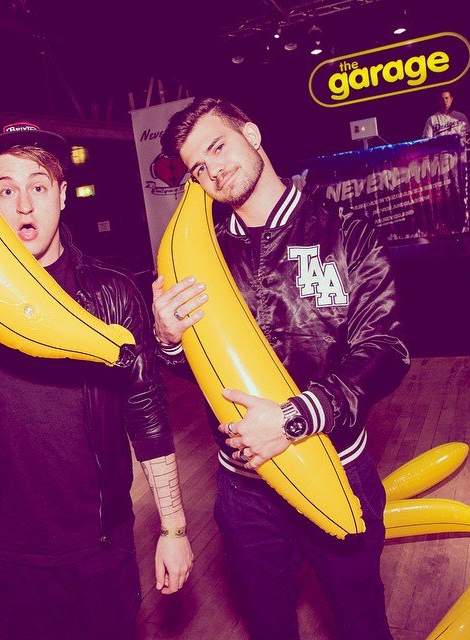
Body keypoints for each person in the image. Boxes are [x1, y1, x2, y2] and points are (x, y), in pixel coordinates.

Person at [0, 122, 193, 640]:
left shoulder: (112, 294)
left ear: (62, 196)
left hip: (101, 541)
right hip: (5, 549)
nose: (24, 205)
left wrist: (174, 527)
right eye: (6, 190)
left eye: (38, 186)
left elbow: (146, 409)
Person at [152, 98, 410, 640]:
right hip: (245, 491)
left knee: (362, 623)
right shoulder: (203, 256)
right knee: (268, 627)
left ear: (252, 133)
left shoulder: (346, 232)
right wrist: (170, 340)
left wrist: (296, 417)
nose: (213, 170)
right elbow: (202, 368)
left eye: (218, 147)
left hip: (335, 467)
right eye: (198, 167)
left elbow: (386, 348)